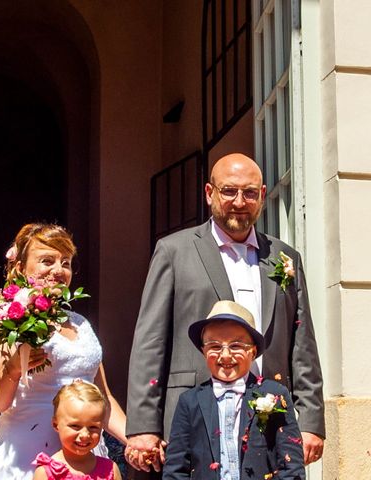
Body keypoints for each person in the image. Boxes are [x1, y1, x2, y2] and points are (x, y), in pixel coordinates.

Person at [125, 153, 325, 473]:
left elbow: (302, 343)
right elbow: (150, 340)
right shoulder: (174, 251)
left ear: (261, 196)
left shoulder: (283, 258)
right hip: (194, 417)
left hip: (268, 419)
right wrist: (143, 426)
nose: (239, 201)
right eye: (229, 191)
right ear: (209, 193)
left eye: (249, 192)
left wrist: (311, 420)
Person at [0, 223, 127, 480]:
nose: (58, 270)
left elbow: (104, 399)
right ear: (20, 267)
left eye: (65, 262)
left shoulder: (81, 323)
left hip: (82, 455)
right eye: (47, 261)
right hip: (23, 457)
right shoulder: (1, 323)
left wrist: (134, 440)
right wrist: (12, 370)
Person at [162, 300, 305, 479]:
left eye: (236, 346)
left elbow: (291, 466)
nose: (226, 355)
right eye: (214, 346)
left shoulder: (275, 394)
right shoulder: (189, 401)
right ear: (203, 351)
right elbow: (175, 469)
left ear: (252, 352)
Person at [32, 380, 123, 480]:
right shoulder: (46, 473)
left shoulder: (110, 469)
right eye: (75, 426)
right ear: (55, 424)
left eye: (93, 427)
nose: (85, 434)